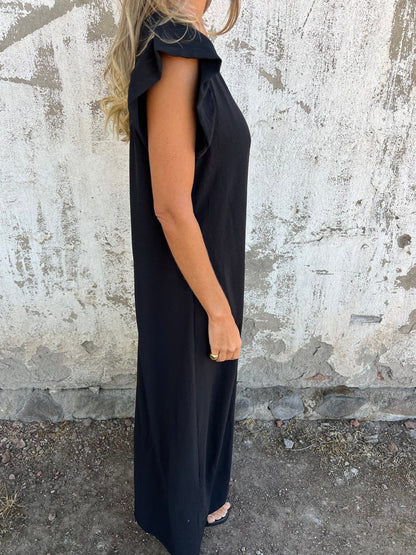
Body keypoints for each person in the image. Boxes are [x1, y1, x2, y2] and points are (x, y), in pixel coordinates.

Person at [101, 0, 251, 553]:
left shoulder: (181, 42)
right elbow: (171, 207)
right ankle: (181, 514)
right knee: (187, 387)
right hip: (190, 278)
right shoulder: (176, 47)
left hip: (204, 264)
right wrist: (218, 310)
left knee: (193, 388)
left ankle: (190, 498)